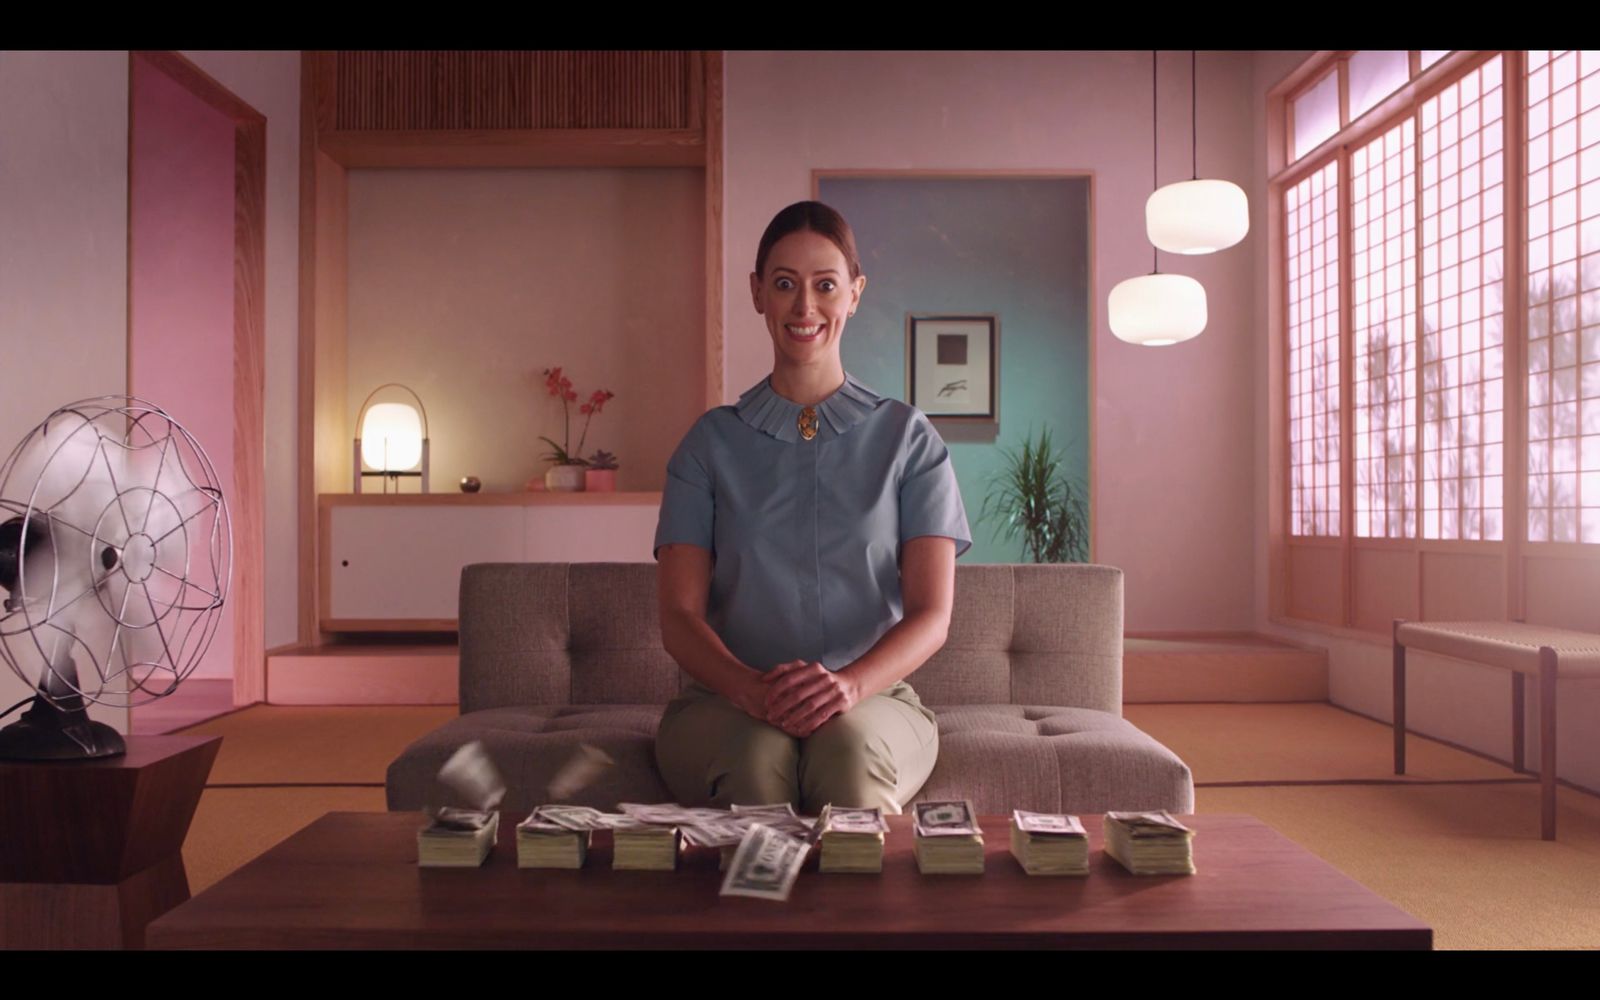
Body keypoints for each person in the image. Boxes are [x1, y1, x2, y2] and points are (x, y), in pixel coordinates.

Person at [652, 200, 971, 816]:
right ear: (757, 294)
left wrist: (848, 686)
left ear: (854, 293)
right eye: (784, 285)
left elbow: (933, 615)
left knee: (848, 760)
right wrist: (750, 691)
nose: (805, 307)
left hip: (875, 700)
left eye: (826, 285)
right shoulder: (708, 445)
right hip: (724, 701)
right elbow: (678, 619)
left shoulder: (910, 439)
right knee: (753, 765)